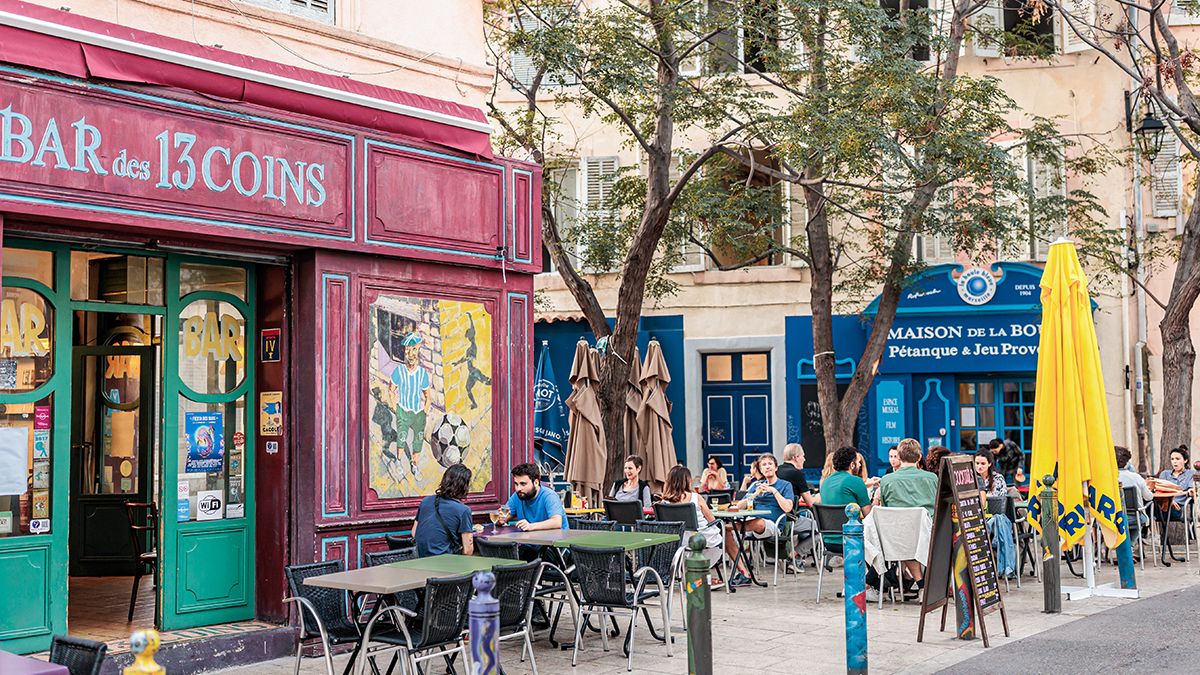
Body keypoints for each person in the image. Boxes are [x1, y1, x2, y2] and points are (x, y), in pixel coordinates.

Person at [728, 453, 795, 587]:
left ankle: (735, 527)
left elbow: (788, 508)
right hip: (750, 523)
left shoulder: (785, 485)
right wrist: (755, 494)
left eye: (770, 464)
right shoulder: (756, 485)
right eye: (764, 465)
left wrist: (773, 491)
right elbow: (739, 505)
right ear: (761, 469)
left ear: (776, 468)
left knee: (757, 522)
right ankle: (744, 572)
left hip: (773, 526)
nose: (767, 467)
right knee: (726, 533)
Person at [661, 465, 737, 578]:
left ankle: (694, 576)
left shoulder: (664, 502)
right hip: (705, 545)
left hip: (678, 547)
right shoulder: (695, 497)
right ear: (687, 481)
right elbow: (712, 520)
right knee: (723, 531)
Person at [413, 464, 479, 557]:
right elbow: (468, 551)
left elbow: (414, 532)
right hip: (445, 563)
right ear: (464, 486)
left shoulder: (425, 501)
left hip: (420, 561)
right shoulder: (463, 510)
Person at [819, 446, 872, 547]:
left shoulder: (825, 482)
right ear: (852, 464)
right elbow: (868, 515)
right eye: (857, 462)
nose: (859, 464)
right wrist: (877, 498)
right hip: (852, 539)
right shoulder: (856, 481)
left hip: (828, 540)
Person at [776, 444, 818, 570]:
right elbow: (810, 502)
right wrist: (820, 496)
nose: (804, 459)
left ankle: (796, 559)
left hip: (774, 518)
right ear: (795, 457)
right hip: (788, 520)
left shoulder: (776, 470)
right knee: (821, 529)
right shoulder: (796, 474)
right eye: (803, 456)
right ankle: (794, 555)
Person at [876, 439, 938, 517]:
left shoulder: (886, 480)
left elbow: (885, 509)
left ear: (898, 457)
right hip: (926, 527)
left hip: (896, 526)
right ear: (919, 457)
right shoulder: (932, 478)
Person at [500, 462, 568, 531]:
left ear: (536, 483)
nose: (518, 489)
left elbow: (556, 522)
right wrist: (500, 519)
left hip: (556, 540)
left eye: (523, 484)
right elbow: (504, 516)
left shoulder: (549, 496)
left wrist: (531, 526)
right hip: (532, 540)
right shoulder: (517, 496)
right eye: (516, 484)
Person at [1115, 445, 1152, 547]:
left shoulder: (1105, 479)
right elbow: (1148, 497)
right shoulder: (1136, 477)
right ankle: (1131, 545)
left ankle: (1115, 547)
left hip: (1111, 519)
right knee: (1140, 519)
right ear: (1127, 462)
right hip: (1134, 517)